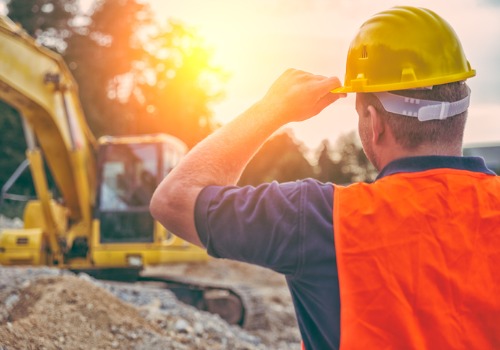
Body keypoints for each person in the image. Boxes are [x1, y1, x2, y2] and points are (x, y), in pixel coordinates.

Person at [150, 6, 500, 349]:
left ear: (374, 123)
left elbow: (174, 199)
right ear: (462, 106)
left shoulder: (321, 218)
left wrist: (273, 109)